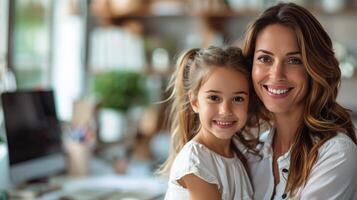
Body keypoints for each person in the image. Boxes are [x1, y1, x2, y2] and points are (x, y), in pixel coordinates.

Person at [240, 2, 357, 199]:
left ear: (314, 69)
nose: (277, 74)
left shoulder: (336, 153)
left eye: (294, 60)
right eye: (265, 59)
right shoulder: (252, 154)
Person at [160, 46, 259, 200]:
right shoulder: (195, 163)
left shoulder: (237, 156)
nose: (225, 110)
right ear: (194, 102)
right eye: (214, 98)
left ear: (249, 103)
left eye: (238, 99)